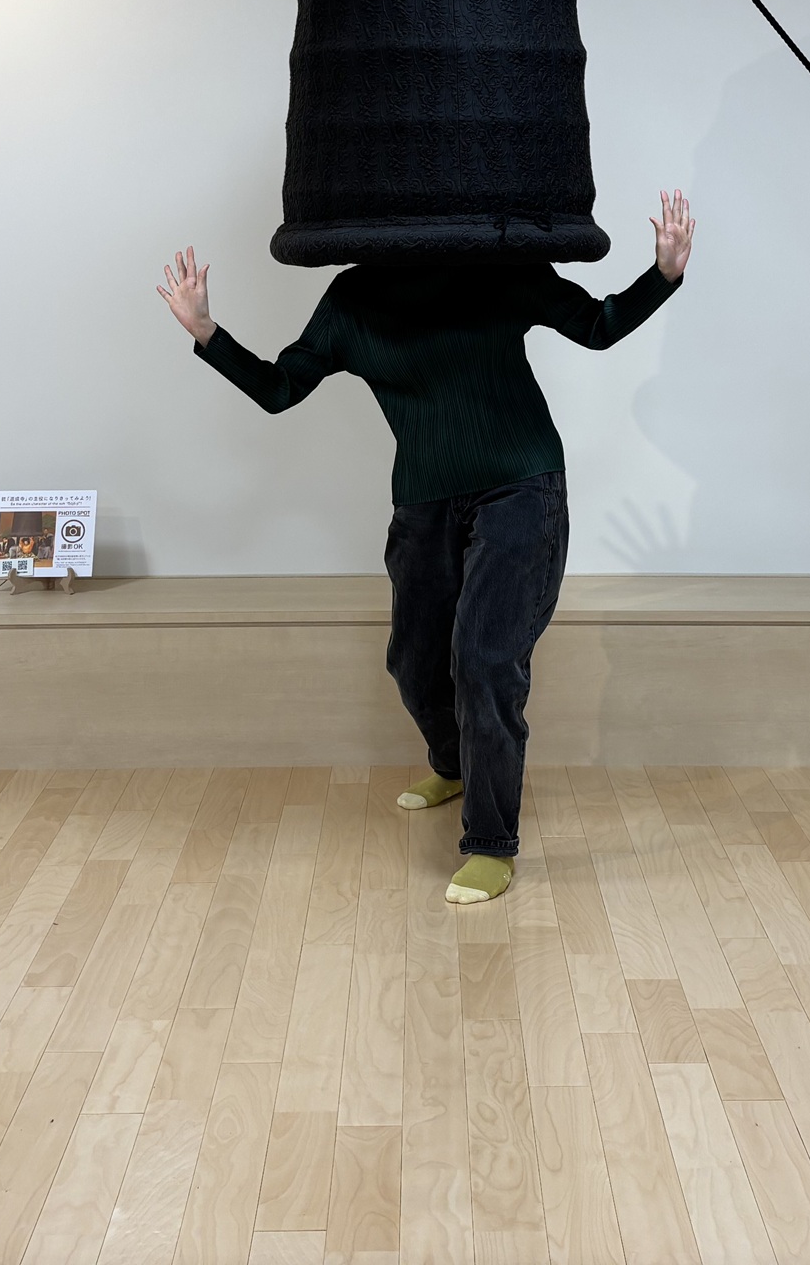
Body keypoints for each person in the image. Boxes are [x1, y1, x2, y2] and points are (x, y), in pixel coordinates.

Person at [159, 191, 695, 904]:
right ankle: (455, 763)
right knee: (413, 660)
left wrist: (663, 274)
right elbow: (280, 388)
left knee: (484, 660)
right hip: (423, 499)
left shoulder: (500, 268)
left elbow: (598, 326)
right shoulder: (352, 299)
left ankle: (491, 843)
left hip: (519, 486)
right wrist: (206, 332)